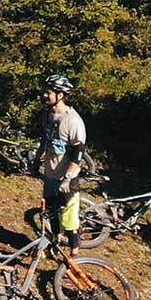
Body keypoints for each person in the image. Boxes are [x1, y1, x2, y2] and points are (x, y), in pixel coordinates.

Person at [37, 73, 87, 257]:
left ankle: (74, 255)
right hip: (50, 175)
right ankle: (55, 243)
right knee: (51, 212)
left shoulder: (72, 121)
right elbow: (45, 140)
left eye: (48, 92)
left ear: (60, 95)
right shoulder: (47, 115)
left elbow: (78, 154)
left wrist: (67, 179)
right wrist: (36, 160)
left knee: (69, 219)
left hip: (67, 180)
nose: (44, 95)